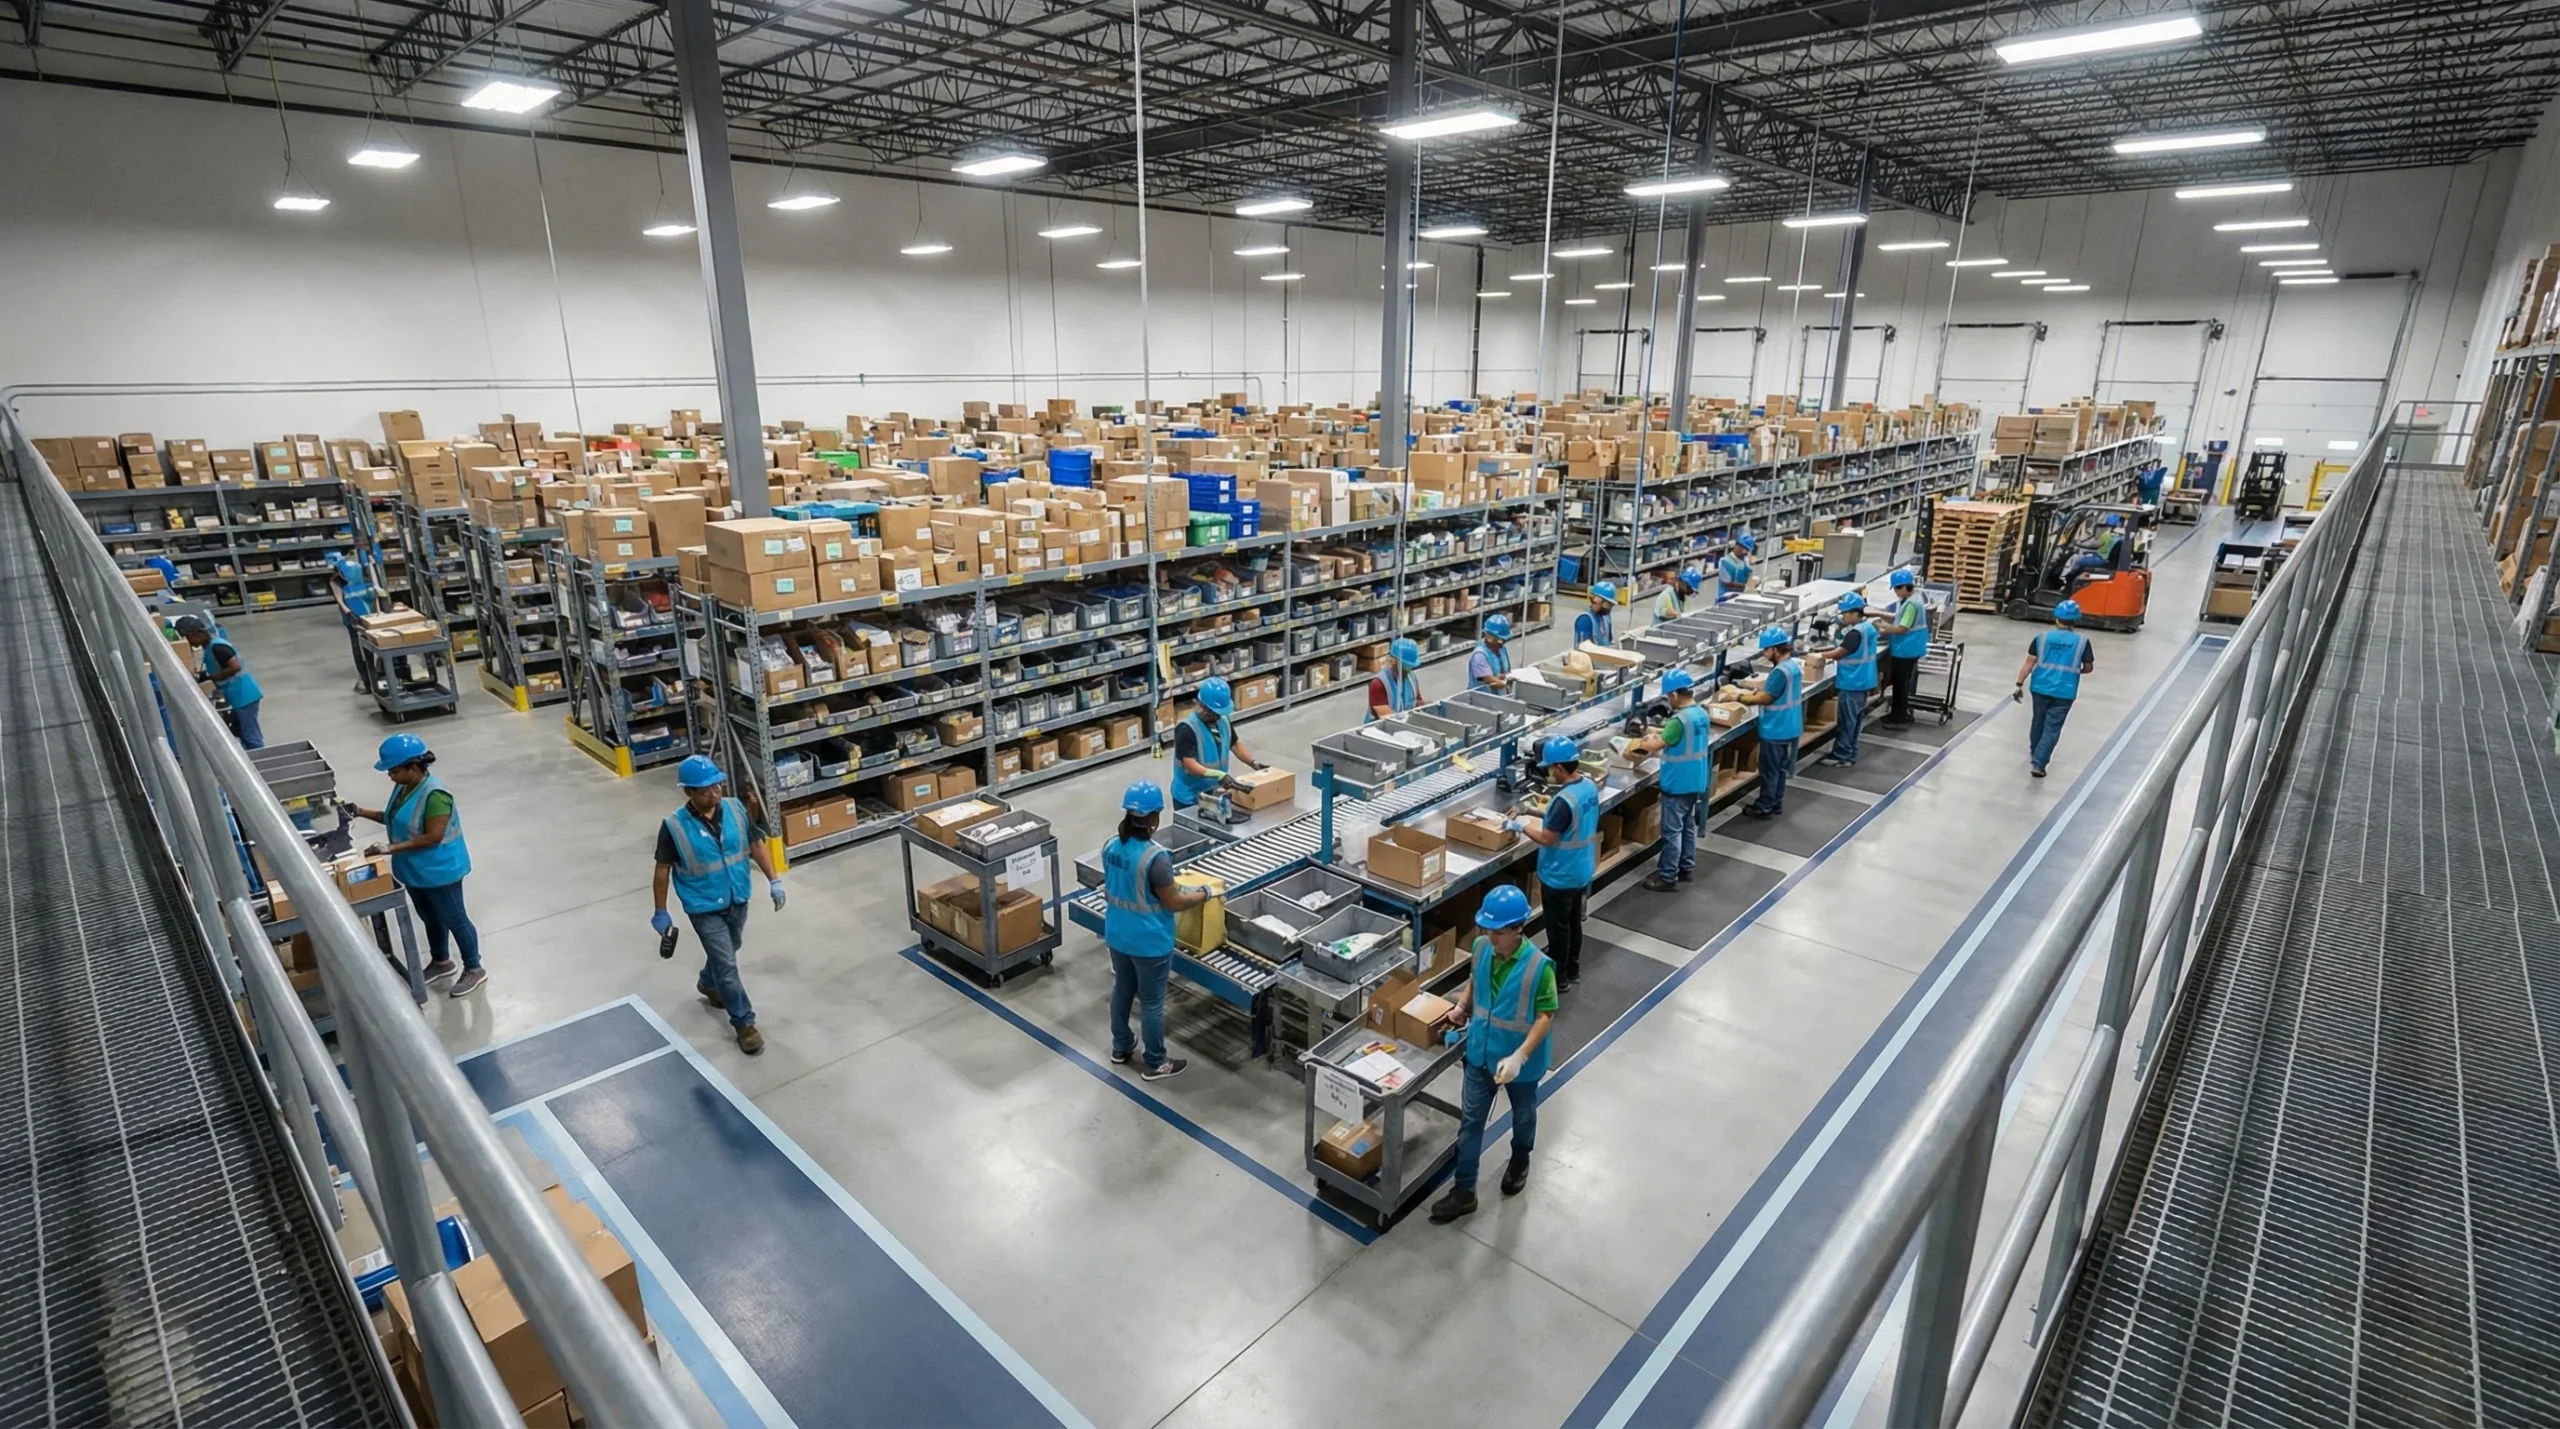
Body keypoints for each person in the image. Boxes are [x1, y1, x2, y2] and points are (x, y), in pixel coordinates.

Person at [1427, 883, 1555, 1225]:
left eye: (1498, 932)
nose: (1491, 937)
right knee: (1470, 1124)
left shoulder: (1539, 967)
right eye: (1487, 929)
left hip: (1519, 1064)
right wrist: (1461, 1006)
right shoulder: (1482, 947)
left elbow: (1546, 1016)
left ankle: (1520, 1159)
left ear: (1518, 929)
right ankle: (1464, 1191)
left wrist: (1520, 1057)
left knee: (1524, 1114)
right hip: (1480, 1054)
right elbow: (1474, 978)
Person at [651, 755, 784, 1054]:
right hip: (703, 907)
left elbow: (756, 844)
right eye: (705, 789)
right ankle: (744, 1023)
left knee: (731, 947)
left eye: (717, 785)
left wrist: (774, 880)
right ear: (688, 792)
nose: (715, 793)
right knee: (727, 965)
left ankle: (706, 983)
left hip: (737, 898)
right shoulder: (673, 827)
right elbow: (662, 870)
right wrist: (661, 911)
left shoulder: (736, 809)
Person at [349, 735, 484, 997]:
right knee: (430, 918)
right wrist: (360, 811)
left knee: (455, 918)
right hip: (415, 870)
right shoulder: (404, 787)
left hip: (440, 870)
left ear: (413, 767)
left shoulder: (436, 795)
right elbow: (393, 818)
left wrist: (389, 849)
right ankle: (441, 961)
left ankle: (474, 968)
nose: (390, 775)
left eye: (394, 770)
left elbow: (433, 836)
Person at [1102, 780, 1212, 1080]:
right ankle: (1155, 1062)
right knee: (1151, 1002)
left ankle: (1121, 1046)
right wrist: (1202, 894)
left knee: (1122, 990)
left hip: (1117, 934)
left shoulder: (1111, 846)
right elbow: (1174, 901)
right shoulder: (1156, 858)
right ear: (1153, 819)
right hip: (1149, 943)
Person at [1507, 735, 1597, 992]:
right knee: (1573, 923)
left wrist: (1520, 826)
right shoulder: (1587, 787)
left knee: (1558, 930)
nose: (1548, 773)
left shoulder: (1563, 801)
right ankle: (1573, 967)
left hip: (1559, 874)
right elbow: (1567, 819)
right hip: (1581, 869)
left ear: (1559, 767)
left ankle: (1559, 979)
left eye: (1549, 768)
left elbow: (1548, 838)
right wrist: (1530, 810)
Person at [1633, 669, 1710, 890]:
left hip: (1678, 783)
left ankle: (1667, 876)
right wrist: (1653, 730)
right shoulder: (1700, 713)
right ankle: (1686, 867)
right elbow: (1674, 736)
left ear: (1676, 694)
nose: (1668, 700)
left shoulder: (1679, 720)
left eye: (1669, 696)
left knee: (1671, 832)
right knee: (1687, 827)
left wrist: (1640, 742)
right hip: (1696, 779)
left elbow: (1656, 745)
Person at [2015, 600, 2096, 779]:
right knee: (2052, 728)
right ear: (2076, 620)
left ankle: (2035, 752)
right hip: (2065, 691)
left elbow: (2029, 663)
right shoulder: (2082, 642)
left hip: (2040, 688)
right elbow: (2088, 667)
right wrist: (2075, 671)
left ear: (2056, 618)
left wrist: (2019, 684)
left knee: (2038, 721)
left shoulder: (2042, 638)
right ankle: (2040, 763)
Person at [1733, 627, 1802, 819]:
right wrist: (1748, 685)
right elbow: (1774, 688)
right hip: (1789, 724)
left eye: (1765, 650)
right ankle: (1775, 803)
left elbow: (1766, 698)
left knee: (1769, 770)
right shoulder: (1792, 665)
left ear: (1774, 649)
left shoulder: (1780, 671)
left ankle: (1764, 806)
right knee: (1779, 769)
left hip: (1776, 728)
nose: (1764, 654)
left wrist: (1739, 697)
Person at [174, 614, 265, 750]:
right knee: (240, 730)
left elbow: (235, 667)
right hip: (238, 695)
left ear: (197, 634)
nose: (189, 642)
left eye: (189, 637)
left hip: (243, 695)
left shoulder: (217, 647)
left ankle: (261, 760)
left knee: (250, 734)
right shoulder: (210, 646)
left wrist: (213, 678)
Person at [1170, 676, 1262, 808]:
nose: (1218, 716)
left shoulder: (1222, 721)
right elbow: (1189, 765)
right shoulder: (1186, 729)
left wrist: (1253, 763)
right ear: (1202, 706)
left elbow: (1235, 744)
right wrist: (1219, 775)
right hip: (1189, 797)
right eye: (1215, 713)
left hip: (1213, 791)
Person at [1819, 592, 1879, 768]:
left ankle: (1842, 755)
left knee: (1847, 721)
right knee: (1854, 720)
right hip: (1864, 680)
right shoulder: (1868, 628)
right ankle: (1850, 752)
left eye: (1844, 614)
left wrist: (1816, 655)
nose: (1843, 617)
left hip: (1852, 682)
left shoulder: (1855, 633)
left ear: (1854, 613)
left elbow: (1840, 653)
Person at [1878, 568, 1931, 729]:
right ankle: (1898, 714)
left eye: (1896, 589)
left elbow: (1902, 628)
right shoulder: (1914, 599)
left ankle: (1898, 718)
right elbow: (1901, 617)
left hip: (1906, 649)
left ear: (1903, 587)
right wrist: (1879, 614)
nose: (1895, 592)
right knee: (1902, 684)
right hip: (1912, 648)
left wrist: (1884, 628)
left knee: (1900, 685)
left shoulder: (1911, 604)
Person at [329, 550, 376, 692]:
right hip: (353, 615)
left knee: (375, 645)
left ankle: (376, 674)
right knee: (358, 646)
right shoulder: (343, 568)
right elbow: (335, 585)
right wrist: (346, 609)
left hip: (371, 614)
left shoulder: (369, 564)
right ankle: (365, 677)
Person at [1367, 638, 1423, 722]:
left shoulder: (1412, 677)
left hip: (1406, 724)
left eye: (1410, 666)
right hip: (1380, 729)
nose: (1408, 670)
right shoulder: (1378, 684)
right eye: (1405, 666)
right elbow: (1386, 716)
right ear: (1392, 662)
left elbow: (1418, 702)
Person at [1468, 614, 1514, 691]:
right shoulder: (1479, 655)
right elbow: (1490, 681)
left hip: (1500, 696)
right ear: (1489, 638)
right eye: (1500, 640)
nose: (1502, 643)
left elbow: (1506, 672)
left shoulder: (1501, 649)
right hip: (1482, 699)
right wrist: (1506, 683)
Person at [1716, 535, 1756, 602]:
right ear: (1737, 546)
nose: (1745, 552)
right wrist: (1746, 586)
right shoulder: (1724, 561)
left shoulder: (1744, 562)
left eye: (1747, 550)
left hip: (1740, 598)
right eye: (1744, 549)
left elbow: (1749, 577)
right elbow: (1728, 583)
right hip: (1724, 600)